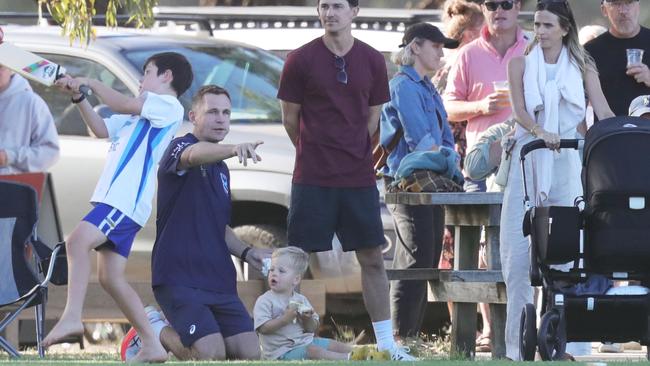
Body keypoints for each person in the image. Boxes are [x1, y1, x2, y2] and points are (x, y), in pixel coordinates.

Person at [277, 0, 415, 360]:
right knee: (296, 259)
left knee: (371, 257)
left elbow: (373, 120)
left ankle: (386, 345)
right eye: (324, 6)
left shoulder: (372, 60)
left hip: (358, 177)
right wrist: (315, 151)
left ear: (355, 11)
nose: (330, 12)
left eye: (338, 6)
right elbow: (290, 120)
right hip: (312, 176)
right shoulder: (299, 59)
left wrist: (351, 152)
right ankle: (285, 339)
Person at [42, 52, 193, 363]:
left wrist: (91, 80)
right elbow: (100, 128)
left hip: (122, 202)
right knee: (111, 278)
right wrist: (79, 97)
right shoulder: (139, 115)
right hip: (119, 203)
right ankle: (151, 344)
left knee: (77, 242)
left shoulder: (168, 106)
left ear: (166, 77)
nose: (141, 80)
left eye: (147, 72)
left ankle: (72, 317)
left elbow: (124, 103)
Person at [120, 85, 270, 361]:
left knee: (249, 354)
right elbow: (192, 155)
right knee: (210, 354)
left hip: (218, 279)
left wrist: (249, 253)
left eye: (226, 112)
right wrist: (234, 148)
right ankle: (153, 329)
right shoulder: (180, 146)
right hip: (179, 277)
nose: (221, 118)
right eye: (212, 111)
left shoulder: (221, 169)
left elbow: (219, 226)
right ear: (194, 116)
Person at [502, 0, 614, 360]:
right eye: (536, 24)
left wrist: (627, 132)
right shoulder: (519, 63)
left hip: (566, 162)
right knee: (518, 259)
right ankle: (517, 347)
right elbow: (519, 110)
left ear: (565, 28)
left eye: (548, 25)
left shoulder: (583, 66)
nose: (540, 32)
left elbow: (603, 111)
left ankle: (563, 343)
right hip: (530, 157)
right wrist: (540, 130)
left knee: (565, 257)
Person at [379, 22, 457, 340]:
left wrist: (448, 159)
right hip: (406, 183)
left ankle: (408, 337)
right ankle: (400, 337)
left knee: (425, 257)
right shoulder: (402, 86)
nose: (441, 53)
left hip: (429, 181)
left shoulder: (427, 86)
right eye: (436, 46)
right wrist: (450, 161)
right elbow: (422, 142)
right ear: (415, 47)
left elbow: (445, 139)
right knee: (414, 258)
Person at [444, 0, 528, 192]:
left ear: (517, 6)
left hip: (523, 163)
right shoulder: (467, 54)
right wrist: (480, 106)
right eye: (492, 5)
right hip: (480, 166)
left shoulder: (533, 51)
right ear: (483, 9)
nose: (499, 10)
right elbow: (448, 108)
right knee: (477, 222)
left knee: (520, 223)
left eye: (506, 4)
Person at [254, 246, 359, 360]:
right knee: (313, 351)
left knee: (332, 344)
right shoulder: (264, 300)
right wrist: (284, 319)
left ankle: (361, 353)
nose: (274, 274)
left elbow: (312, 328)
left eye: (281, 271)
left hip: (305, 342)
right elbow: (263, 328)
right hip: (281, 352)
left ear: (296, 279)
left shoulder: (301, 299)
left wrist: (306, 319)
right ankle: (348, 358)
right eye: (272, 269)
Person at [432, 0, 484, 170]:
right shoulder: (461, 64)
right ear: (470, 35)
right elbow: (448, 110)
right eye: (485, 30)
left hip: (444, 150)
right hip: (459, 152)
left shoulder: (444, 66)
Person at [584, 0, 650, 117]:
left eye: (629, 2)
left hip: (645, 131)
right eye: (615, 4)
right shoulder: (590, 51)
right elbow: (579, 103)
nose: (623, 11)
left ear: (638, 6)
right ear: (604, 10)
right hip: (609, 131)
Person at [0, 64, 59, 174]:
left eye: (0, 66)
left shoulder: (31, 102)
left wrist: (8, 156)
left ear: (10, 67)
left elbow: (50, 153)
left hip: (12, 185)